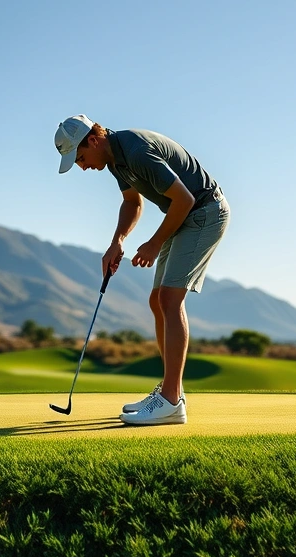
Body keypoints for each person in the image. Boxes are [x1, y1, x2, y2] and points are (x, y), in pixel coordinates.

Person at [54, 114, 230, 425]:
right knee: (157, 300)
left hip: (204, 211)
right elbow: (133, 203)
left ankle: (171, 401)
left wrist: (154, 243)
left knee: (170, 300)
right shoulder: (115, 159)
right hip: (186, 214)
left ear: (92, 141)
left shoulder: (135, 150)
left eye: (80, 157)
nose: (81, 166)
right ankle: (169, 392)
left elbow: (184, 198)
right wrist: (117, 241)